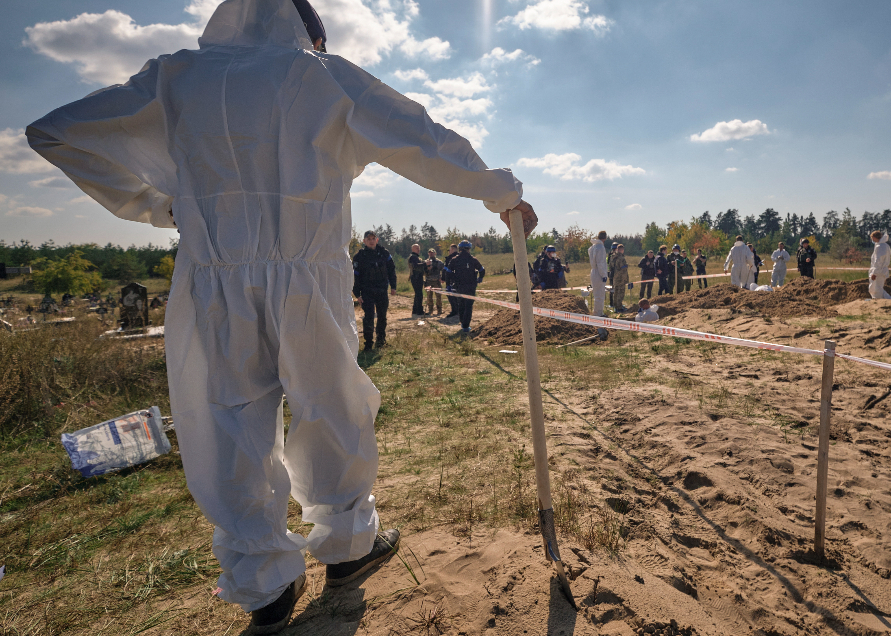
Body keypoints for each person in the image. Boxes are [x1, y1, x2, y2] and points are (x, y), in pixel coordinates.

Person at [26, 1, 540, 632]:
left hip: (214, 278)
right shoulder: (319, 74)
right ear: (308, 31)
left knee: (229, 418)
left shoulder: (173, 77)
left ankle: (263, 581)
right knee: (331, 405)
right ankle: (347, 545)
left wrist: (158, 205)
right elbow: (418, 136)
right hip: (308, 273)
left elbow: (52, 131)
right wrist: (501, 192)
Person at [353, 231, 397, 350]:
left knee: (382, 316)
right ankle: (368, 343)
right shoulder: (359, 257)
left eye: (373, 238)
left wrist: (393, 286)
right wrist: (357, 294)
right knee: (369, 317)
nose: (371, 241)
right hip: (367, 291)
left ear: (377, 240)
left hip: (382, 290)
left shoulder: (384, 253)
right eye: (369, 239)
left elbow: (391, 270)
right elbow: (355, 276)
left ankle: (381, 340)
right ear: (364, 241)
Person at [447, 240, 485, 334]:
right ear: (469, 249)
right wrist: (480, 278)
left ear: (460, 249)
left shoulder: (455, 259)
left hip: (459, 286)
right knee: (468, 305)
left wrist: (449, 284)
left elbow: (447, 272)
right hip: (471, 286)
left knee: (461, 304)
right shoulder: (473, 259)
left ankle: (462, 323)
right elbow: (482, 270)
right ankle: (465, 326)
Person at [868, 231, 891, 300]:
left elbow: (878, 261)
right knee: (878, 288)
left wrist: (874, 273)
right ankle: (884, 300)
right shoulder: (885, 246)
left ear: (875, 238)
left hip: (879, 272)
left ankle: (881, 301)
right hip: (882, 271)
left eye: (872, 238)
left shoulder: (880, 247)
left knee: (876, 289)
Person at [589, 231, 609, 315]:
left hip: (593, 271)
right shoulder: (600, 247)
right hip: (598, 272)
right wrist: (604, 275)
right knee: (600, 295)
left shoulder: (593, 247)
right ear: (605, 238)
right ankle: (598, 313)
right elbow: (600, 263)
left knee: (597, 294)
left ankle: (597, 311)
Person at [609, 243, 630, 311]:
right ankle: (619, 307)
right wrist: (626, 265)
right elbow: (622, 267)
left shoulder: (612, 256)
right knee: (621, 293)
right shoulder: (621, 257)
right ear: (622, 250)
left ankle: (615, 306)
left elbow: (610, 266)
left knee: (616, 292)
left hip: (615, 276)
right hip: (621, 277)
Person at [424, 248, 444, 315]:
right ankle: (430, 310)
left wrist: (442, 278)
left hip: (437, 281)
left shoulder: (439, 262)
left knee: (438, 296)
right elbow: (423, 271)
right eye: (429, 252)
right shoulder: (426, 262)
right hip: (428, 281)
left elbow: (443, 270)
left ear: (435, 253)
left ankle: (439, 310)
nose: (431, 254)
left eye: (432, 252)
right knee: (429, 297)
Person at [407, 243, 425, 316]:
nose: (418, 249)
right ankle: (419, 311)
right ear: (412, 249)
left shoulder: (416, 257)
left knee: (417, 294)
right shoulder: (413, 257)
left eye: (419, 248)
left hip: (417, 277)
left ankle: (415, 310)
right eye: (416, 248)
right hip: (416, 277)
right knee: (419, 294)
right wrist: (425, 264)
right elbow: (416, 266)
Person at [443, 243, 460, 318]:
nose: (449, 252)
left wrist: (443, 278)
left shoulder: (451, 258)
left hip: (451, 279)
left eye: (449, 250)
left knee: (451, 295)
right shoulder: (460, 257)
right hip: (459, 280)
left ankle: (455, 310)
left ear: (452, 249)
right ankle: (458, 310)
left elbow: (446, 270)